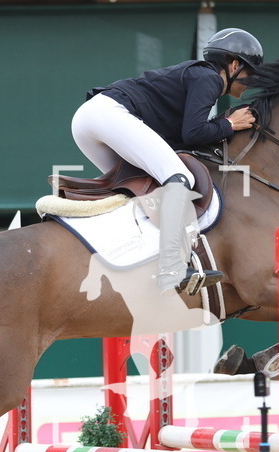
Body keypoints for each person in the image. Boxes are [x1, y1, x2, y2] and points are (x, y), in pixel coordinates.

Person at [72, 28, 262, 295]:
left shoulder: (199, 77)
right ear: (233, 65)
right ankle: (172, 266)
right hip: (110, 114)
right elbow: (194, 133)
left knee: (140, 189)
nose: (250, 82)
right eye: (250, 73)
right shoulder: (209, 78)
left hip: (89, 121)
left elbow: (184, 138)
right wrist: (230, 124)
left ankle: (132, 255)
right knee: (179, 178)